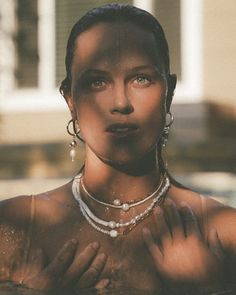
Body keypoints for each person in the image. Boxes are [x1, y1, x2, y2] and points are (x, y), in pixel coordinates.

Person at [0, 3, 236, 294]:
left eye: (141, 79)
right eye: (97, 82)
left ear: (169, 92)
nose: (120, 102)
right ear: (70, 99)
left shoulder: (225, 232)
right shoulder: (15, 226)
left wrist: (208, 287)